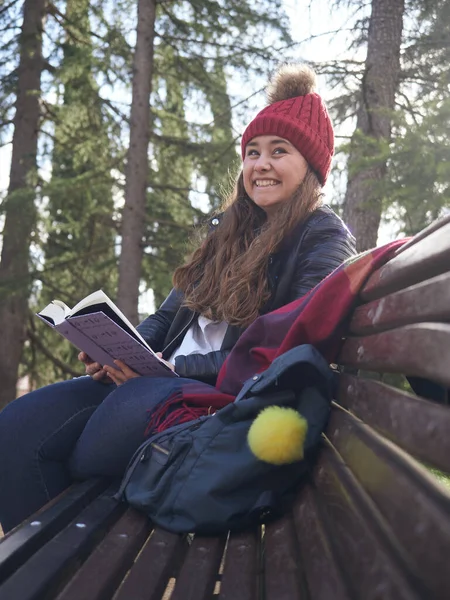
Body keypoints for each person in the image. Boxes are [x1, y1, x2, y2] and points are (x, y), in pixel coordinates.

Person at [0, 64, 356, 533]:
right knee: (16, 428)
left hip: (221, 398)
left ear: (310, 166)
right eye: (252, 152)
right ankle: (54, 575)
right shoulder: (225, 233)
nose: (260, 164)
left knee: (92, 446)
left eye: (278, 151)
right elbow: (166, 319)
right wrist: (118, 351)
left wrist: (173, 370)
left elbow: (290, 343)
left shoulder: (322, 234)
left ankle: (81, 565)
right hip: (153, 380)